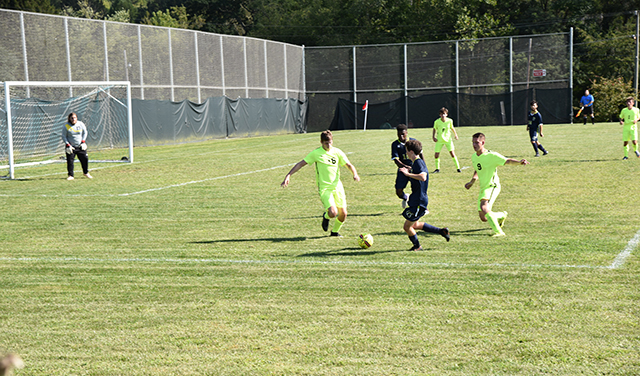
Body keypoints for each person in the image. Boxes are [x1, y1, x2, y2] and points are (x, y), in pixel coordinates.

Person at [281, 130, 360, 237]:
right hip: (325, 188)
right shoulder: (316, 153)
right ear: (321, 142)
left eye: (330, 142)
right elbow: (301, 164)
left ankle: (334, 232)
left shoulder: (337, 152)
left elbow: (349, 165)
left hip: (337, 187)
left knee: (343, 214)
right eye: (326, 143)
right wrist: (288, 175)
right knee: (333, 213)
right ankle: (326, 216)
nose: (328, 145)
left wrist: (354, 174)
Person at [464, 133, 529, 237]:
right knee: (483, 217)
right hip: (483, 187)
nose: (474, 145)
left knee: (484, 207)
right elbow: (478, 169)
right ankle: (502, 215)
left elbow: (506, 160)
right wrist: (472, 182)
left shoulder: (491, 155)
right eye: (473, 142)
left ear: (483, 143)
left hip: (492, 186)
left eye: (477, 142)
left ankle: (499, 232)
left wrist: (519, 162)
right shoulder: (474, 157)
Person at [399, 139, 450, 251]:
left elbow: (423, 177)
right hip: (417, 200)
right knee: (415, 225)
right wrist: (409, 170)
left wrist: (408, 174)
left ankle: (417, 246)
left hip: (418, 201)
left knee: (407, 227)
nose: (406, 153)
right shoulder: (416, 163)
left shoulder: (418, 162)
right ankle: (441, 231)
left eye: (407, 151)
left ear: (411, 151)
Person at [391, 124, 422, 208]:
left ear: (407, 133)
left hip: (414, 169)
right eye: (399, 134)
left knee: (418, 190)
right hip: (403, 170)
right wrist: (405, 167)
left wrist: (423, 166)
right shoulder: (395, 144)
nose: (401, 136)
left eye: (403, 134)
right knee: (398, 191)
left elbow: (420, 155)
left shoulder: (413, 142)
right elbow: (396, 160)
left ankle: (422, 207)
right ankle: (405, 197)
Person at [62, 112, 92, 180]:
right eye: (72, 118)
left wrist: (83, 141)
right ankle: (70, 175)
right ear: (69, 118)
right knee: (70, 161)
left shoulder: (80, 124)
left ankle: (86, 172)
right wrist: (68, 145)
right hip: (71, 147)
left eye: (74, 118)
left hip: (80, 146)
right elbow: (64, 136)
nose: (73, 119)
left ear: (77, 118)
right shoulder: (66, 125)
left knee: (84, 159)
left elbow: (85, 132)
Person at [432, 107, 460, 173]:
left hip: (448, 140)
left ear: (446, 114)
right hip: (439, 140)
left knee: (452, 154)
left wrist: (455, 134)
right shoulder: (437, 122)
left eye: (444, 114)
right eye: (441, 114)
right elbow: (434, 129)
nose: (443, 115)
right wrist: (433, 137)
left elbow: (452, 127)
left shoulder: (450, 121)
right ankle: (437, 169)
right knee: (436, 154)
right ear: (440, 115)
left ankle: (458, 168)